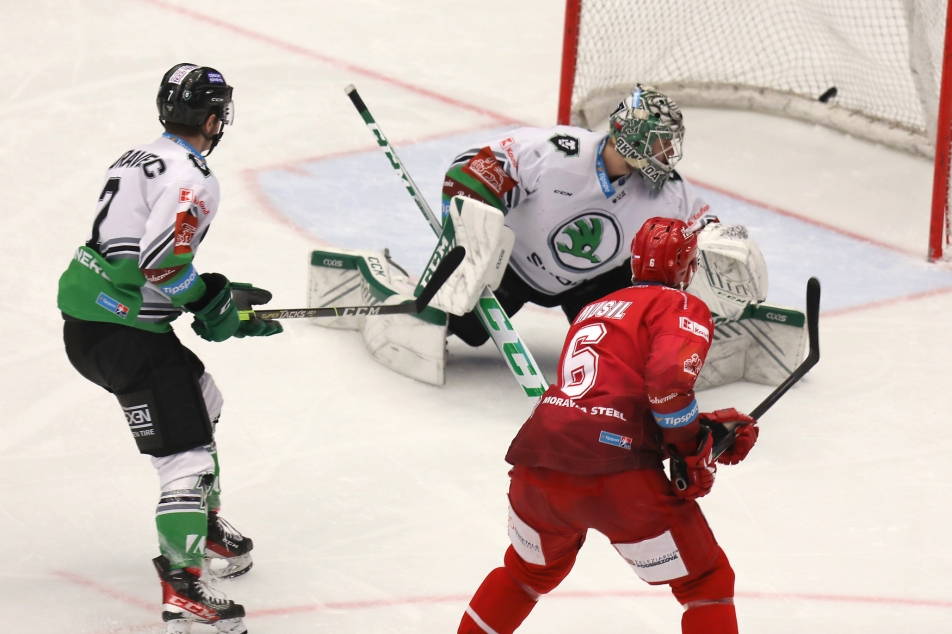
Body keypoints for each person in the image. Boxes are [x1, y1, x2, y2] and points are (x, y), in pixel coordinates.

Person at [57, 63, 281, 634]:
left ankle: (201, 524)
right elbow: (160, 263)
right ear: (212, 118)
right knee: (186, 456)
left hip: (99, 320)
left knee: (203, 399)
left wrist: (211, 297)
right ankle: (184, 589)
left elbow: (135, 256)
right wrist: (210, 302)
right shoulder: (193, 176)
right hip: (121, 333)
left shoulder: (138, 156)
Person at [457, 217, 760, 634]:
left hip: (538, 466)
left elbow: (607, 399)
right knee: (705, 583)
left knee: (525, 575)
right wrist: (692, 452)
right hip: (617, 477)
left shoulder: (593, 308)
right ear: (688, 269)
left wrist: (704, 430)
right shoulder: (681, 305)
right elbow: (668, 388)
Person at [442, 86, 716, 346]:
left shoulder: (671, 193)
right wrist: (470, 245)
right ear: (636, 137)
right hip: (508, 269)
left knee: (623, 346)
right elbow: (468, 171)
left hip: (591, 287)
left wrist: (725, 271)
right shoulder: (557, 153)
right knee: (466, 327)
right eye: (662, 142)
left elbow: (710, 239)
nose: (669, 154)